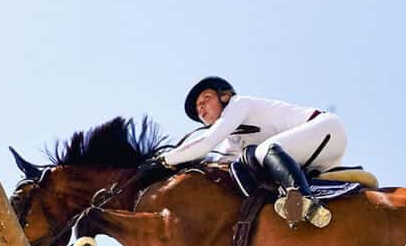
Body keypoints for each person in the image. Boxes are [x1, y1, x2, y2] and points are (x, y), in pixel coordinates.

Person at [138, 76, 348, 228]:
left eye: (206, 99)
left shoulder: (240, 104)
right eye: (198, 109)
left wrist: (165, 159)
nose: (201, 109)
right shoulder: (233, 141)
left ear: (225, 96)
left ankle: (304, 200)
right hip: (312, 159)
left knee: (262, 150)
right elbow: (214, 162)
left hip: (326, 130)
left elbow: (207, 142)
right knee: (246, 162)